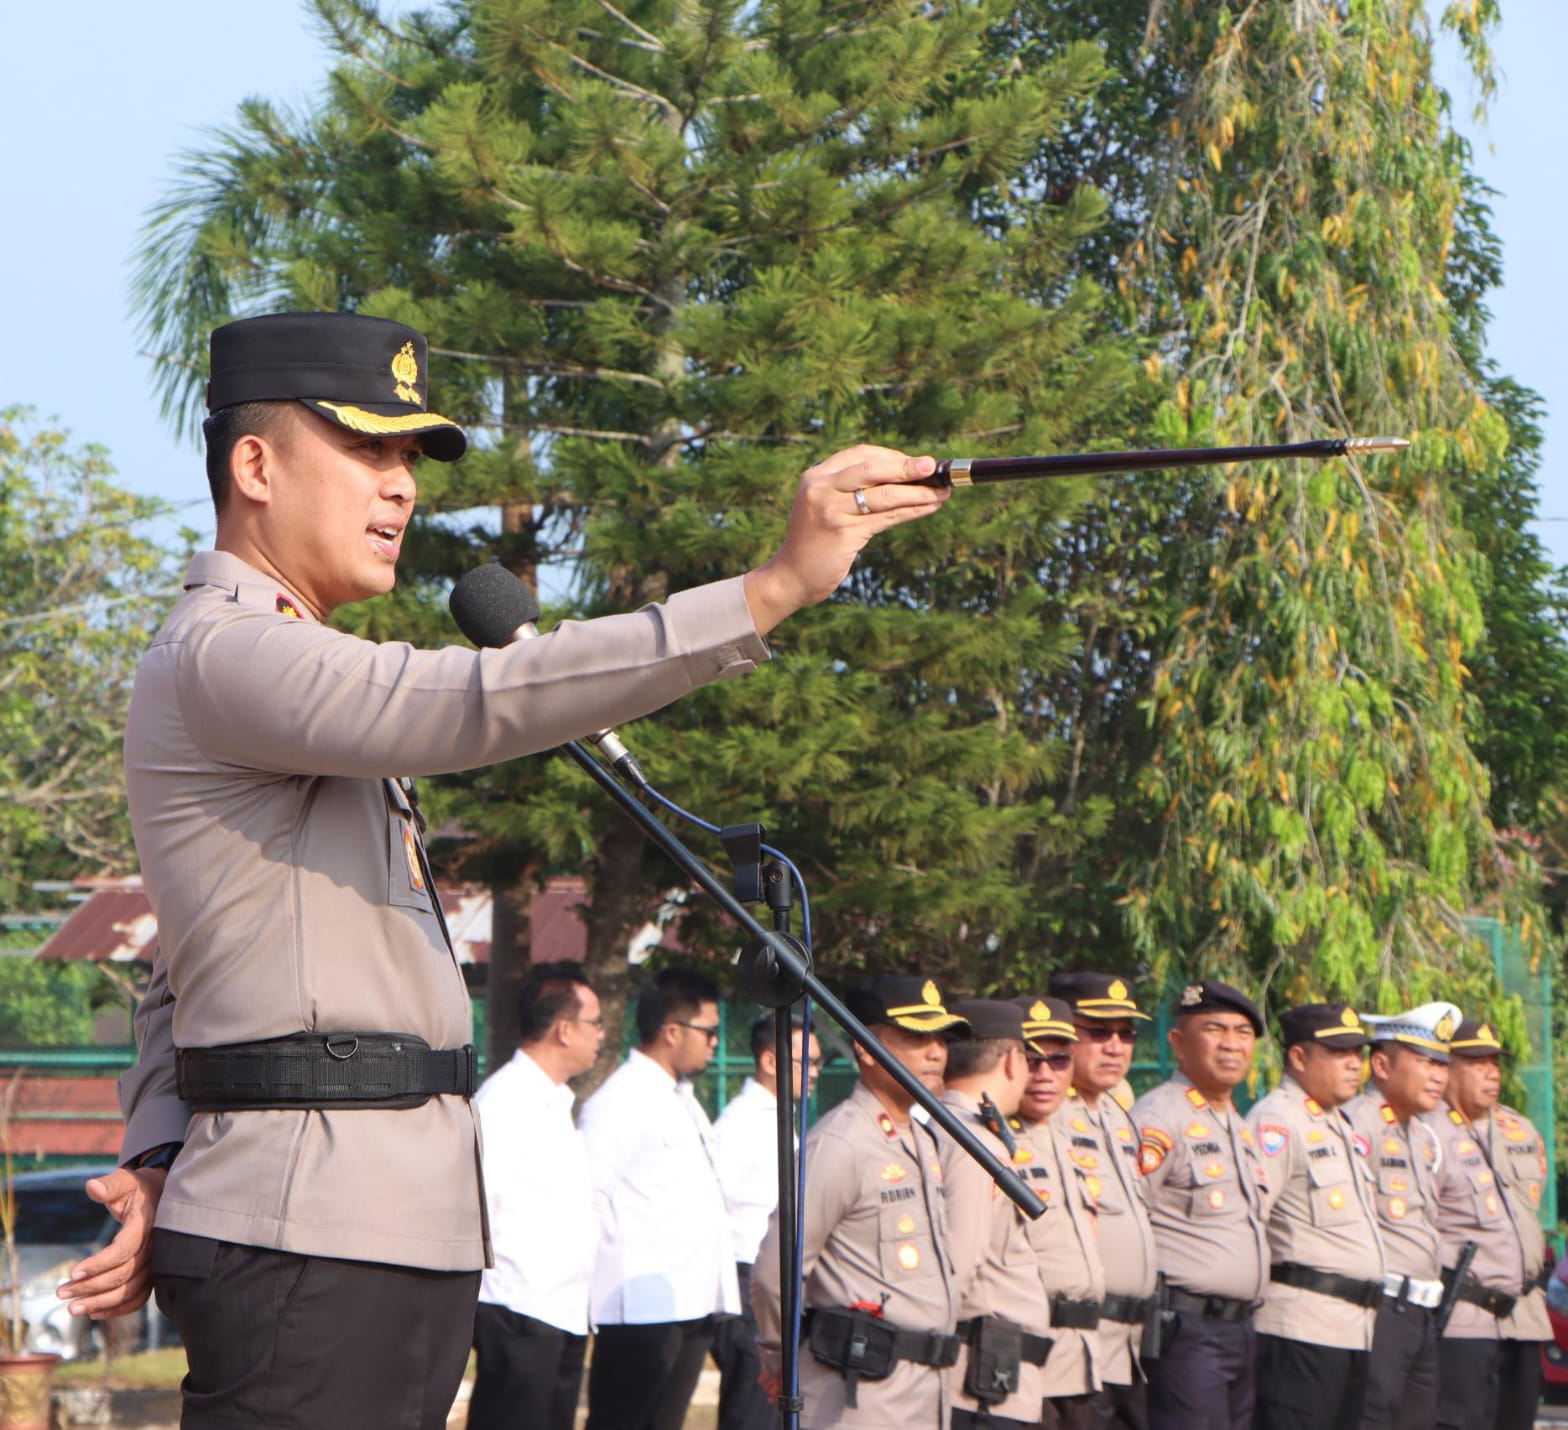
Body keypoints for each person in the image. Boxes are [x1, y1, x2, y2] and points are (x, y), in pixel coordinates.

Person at [57, 310, 951, 1429]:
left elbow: (183, 970)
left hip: (384, 1227)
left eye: (409, 461)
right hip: (307, 1232)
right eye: (368, 450)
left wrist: (151, 1155)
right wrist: (767, 588)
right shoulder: (229, 650)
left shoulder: (287, 668)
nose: (401, 488)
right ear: (255, 465)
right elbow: (468, 699)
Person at [751, 975, 969, 1429]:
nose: (935, 1052)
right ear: (866, 1049)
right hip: (859, 1397)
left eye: (941, 1038)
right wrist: (777, 1356)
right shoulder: (842, 1143)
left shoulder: (921, 1139)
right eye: (914, 1036)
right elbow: (777, 1271)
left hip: (925, 1390)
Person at [581, 966, 738, 1430]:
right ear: (672, 1031)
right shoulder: (620, 1100)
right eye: (709, 1031)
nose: (714, 1042)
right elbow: (590, 1198)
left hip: (689, 1301)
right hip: (639, 1311)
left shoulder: (682, 1097)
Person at [468, 963, 606, 1430]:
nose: (601, 1035)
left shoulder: (554, 1101)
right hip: (517, 1312)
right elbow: (477, 1207)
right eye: (595, 1023)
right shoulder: (507, 1100)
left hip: (559, 1310)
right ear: (564, 1030)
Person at [1130, 980, 1268, 1430]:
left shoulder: (1236, 1123)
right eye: (1215, 1029)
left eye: (1243, 1032)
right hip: (1187, 1330)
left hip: (1240, 1330)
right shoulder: (1159, 1117)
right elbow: (1133, 1220)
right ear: (1178, 1042)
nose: (1231, 1044)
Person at [1248, 1003, 1386, 1430]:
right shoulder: (1277, 1121)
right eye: (1338, 1053)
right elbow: (1252, 1219)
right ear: (1299, 1057)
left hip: (1351, 1328)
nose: (1353, 1065)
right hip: (1299, 1330)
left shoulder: (1337, 1124)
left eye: (1357, 1054)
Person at [1424, 1020, 1551, 1430]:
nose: (1492, 1072)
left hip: (1525, 1313)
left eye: (1495, 1062)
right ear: (1446, 1068)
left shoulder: (1521, 1130)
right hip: (1464, 1309)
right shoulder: (1427, 1130)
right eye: (1477, 1062)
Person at [1344, 1001, 1460, 1430]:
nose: (1437, 1076)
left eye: (1442, 1065)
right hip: (1381, 1307)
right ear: (1382, 1065)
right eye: (1425, 1062)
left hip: (1421, 1312)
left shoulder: (1421, 1134)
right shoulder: (1359, 1123)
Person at [1052, 972, 1159, 1430]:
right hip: (1077, 1342)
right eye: (1098, 1032)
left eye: (1126, 1033)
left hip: (1130, 1345)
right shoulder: (1048, 1112)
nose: (1116, 1046)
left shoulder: (1117, 1113)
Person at [942, 999, 1054, 1430]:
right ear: (1012, 1060)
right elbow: (959, 1262)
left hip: (989, 1378)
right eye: (1030, 1058)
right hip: (982, 1387)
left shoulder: (950, 1127)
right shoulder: (974, 1143)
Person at [709, 1014, 824, 1430]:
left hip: (776, 1287)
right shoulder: (739, 1125)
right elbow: (711, 1209)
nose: (812, 1074)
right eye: (804, 1062)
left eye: (817, 1064)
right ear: (771, 1062)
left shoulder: (781, 1120)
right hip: (747, 1287)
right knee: (751, 1414)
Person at [1008, 996, 1105, 1429]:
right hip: (1028, 1355)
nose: (1045, 1073)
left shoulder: (1078, 1137)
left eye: (1059, 1058)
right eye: (1032, 1059)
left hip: (1084, 1353)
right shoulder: (993, 1141)